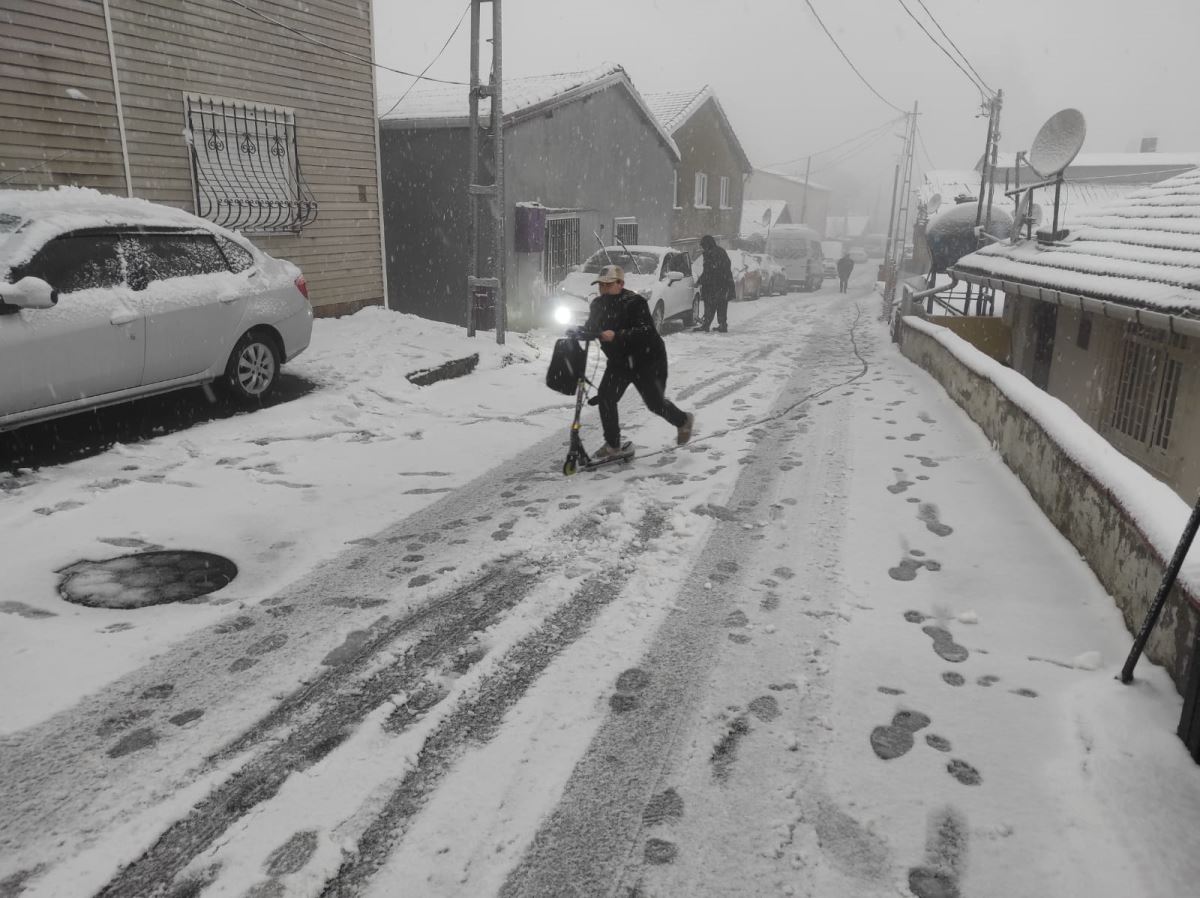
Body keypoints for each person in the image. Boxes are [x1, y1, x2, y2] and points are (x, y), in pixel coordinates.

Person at [583, 264, 694, 460]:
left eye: (608, 285)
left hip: (647, 359)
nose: (603, 289)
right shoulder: (597, 305)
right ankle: (613, 445)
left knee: (655, 403)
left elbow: (647, 332)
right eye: (600, 285)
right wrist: (580, 332)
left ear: (620, 284)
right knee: (606, 397)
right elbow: (591, 327)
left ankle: (683, 420)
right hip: (619, 361)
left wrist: (617, 335)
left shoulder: (635, 302)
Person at [694, 235, 735, 332]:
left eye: (703, 245)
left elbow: (709, 270)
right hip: (723, 283)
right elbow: (725, 266)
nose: (703, 248)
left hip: (714, 285)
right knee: (721, 304)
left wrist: (700, 281)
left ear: (708, 245)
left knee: (710, 304)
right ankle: (722, 325)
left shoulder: (711, 254)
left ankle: (706, 325)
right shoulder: (721, 251)